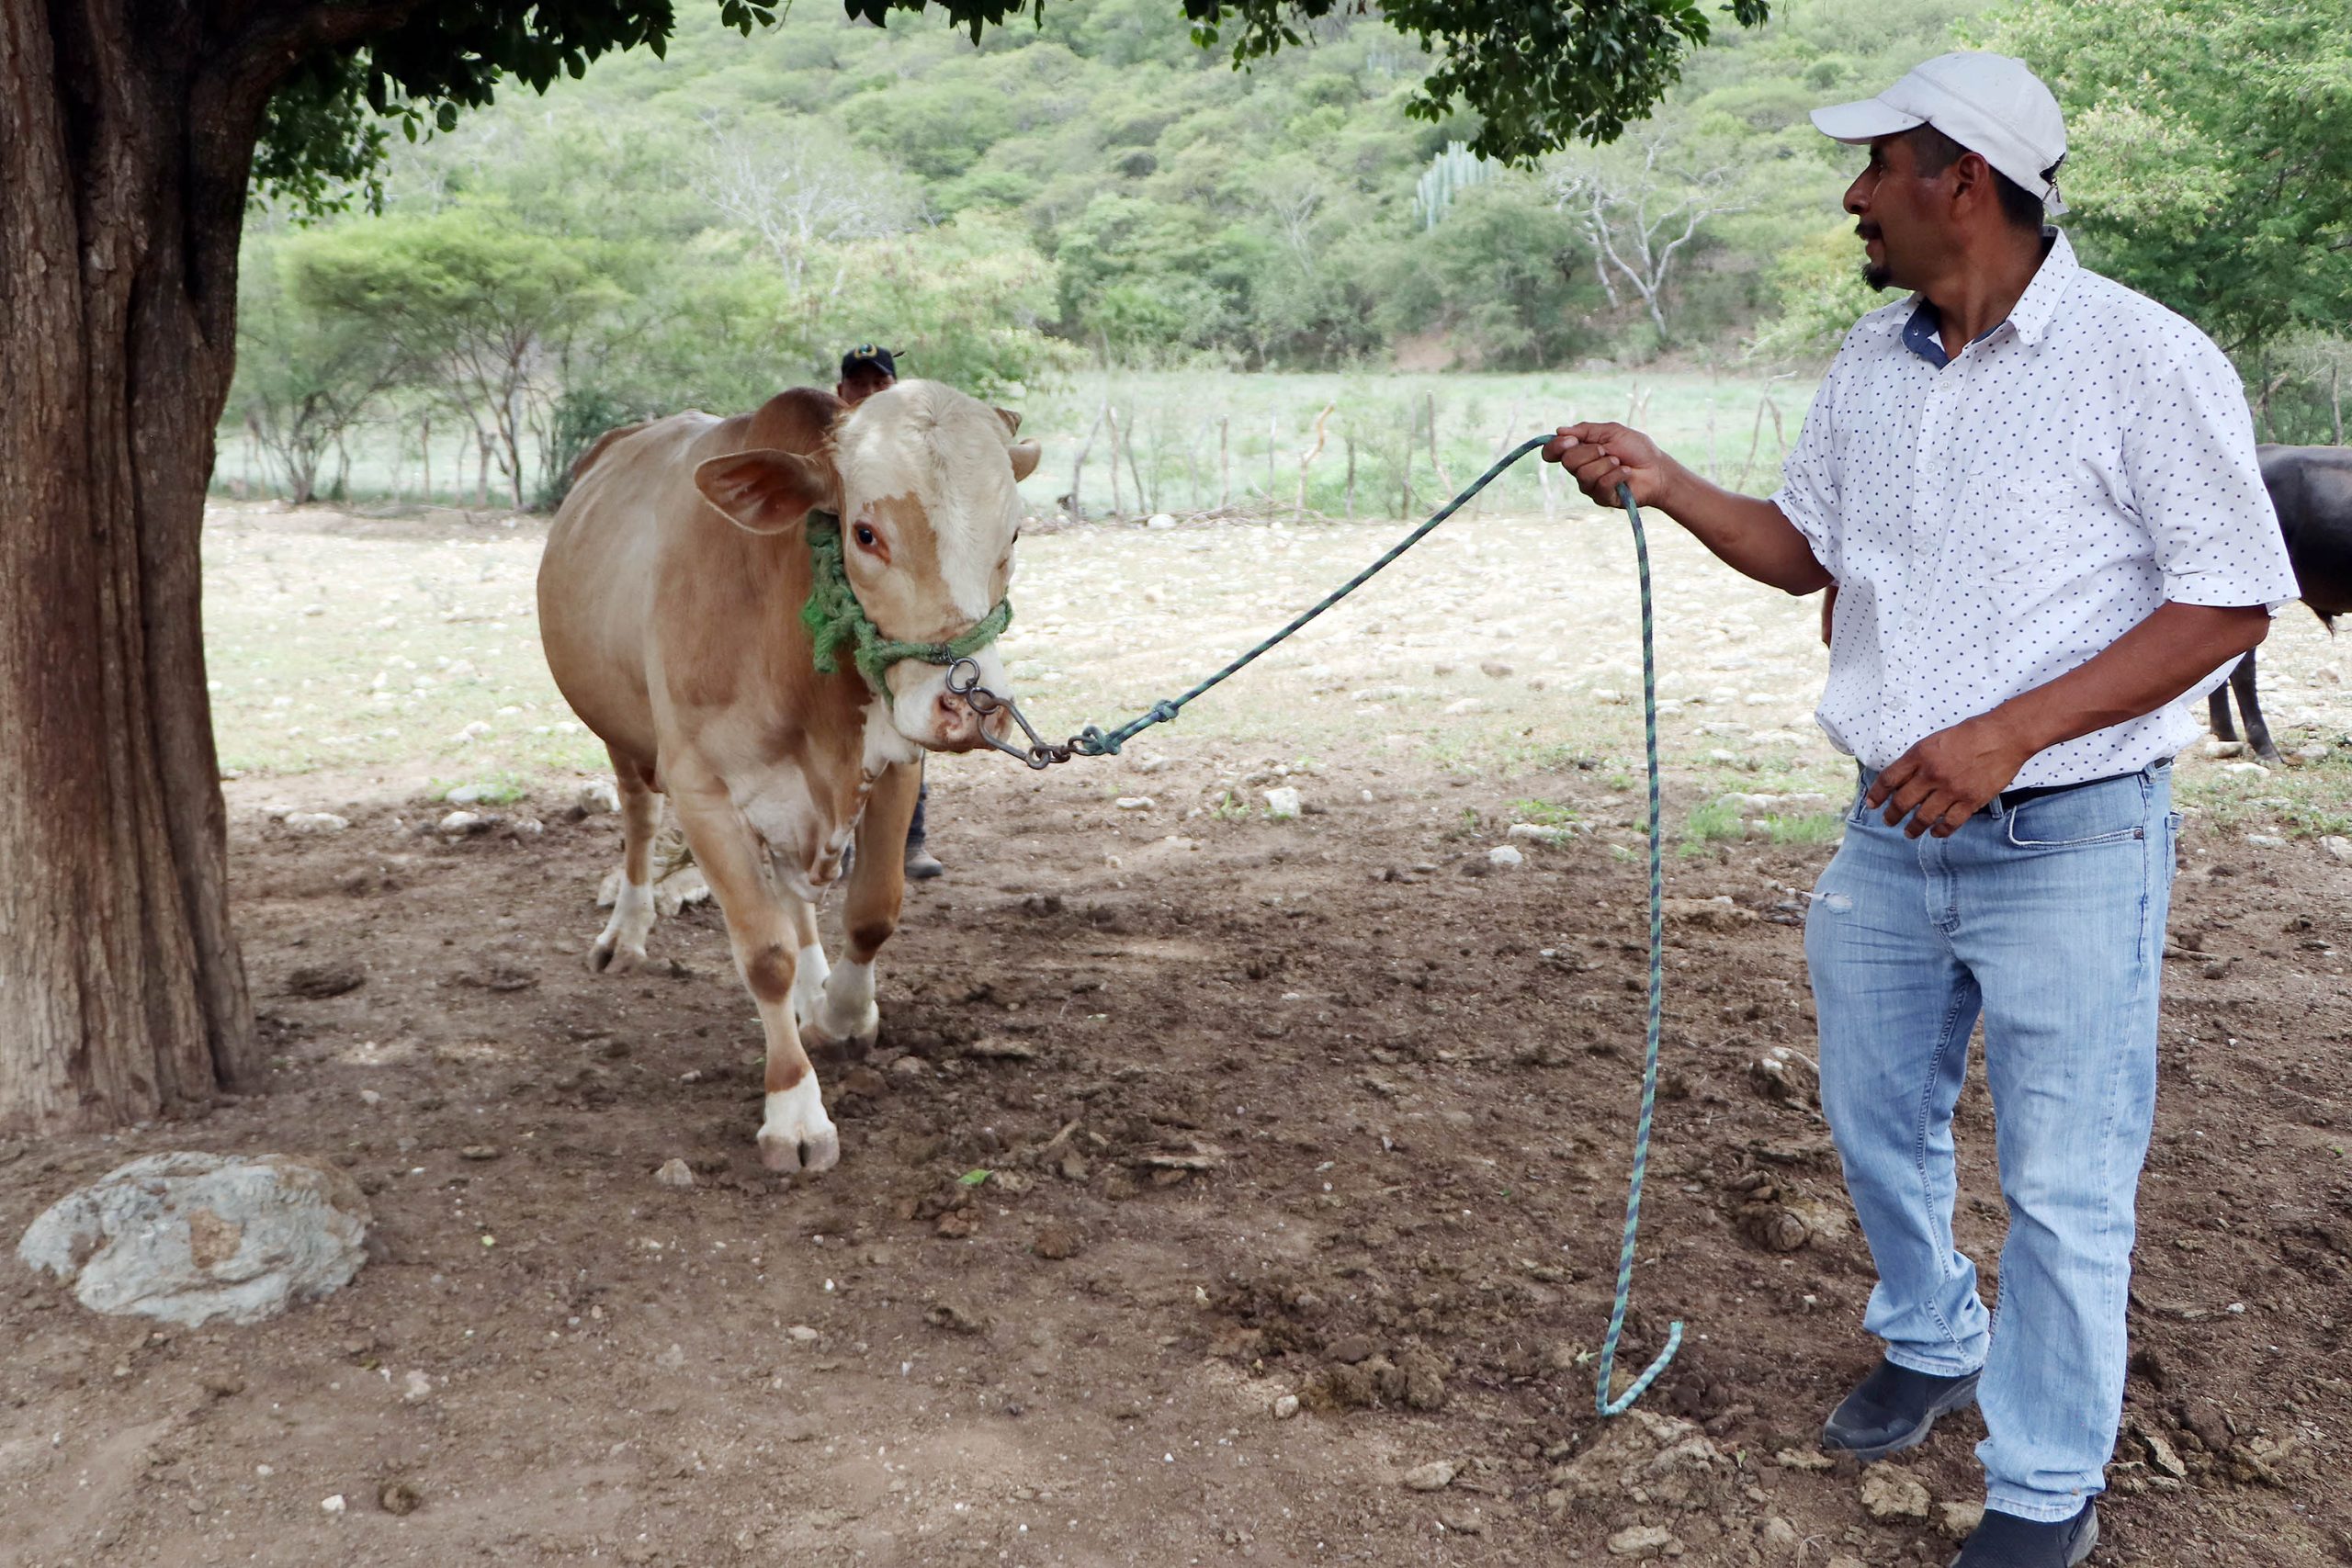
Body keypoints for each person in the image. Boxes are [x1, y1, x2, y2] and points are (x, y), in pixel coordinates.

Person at [1546, 53, 2296, 1568]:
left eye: (1876, 167)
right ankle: (1932, 1332)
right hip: (1886, 830)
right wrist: (1668, 480)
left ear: (1960, 176)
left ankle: (2044, 1490)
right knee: (1875, 1119)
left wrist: (2006, 738)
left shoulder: (2144, 359)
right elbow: (1806, 549)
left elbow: (2233, 600)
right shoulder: (1870, 362)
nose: (1854, 197)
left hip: (2072, 838)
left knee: (2068, 1178)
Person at [834, 345, 944, 880]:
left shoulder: (923, 460)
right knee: (840, 728)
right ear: (842, 395)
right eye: (859, 385)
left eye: (881, 385)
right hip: (836, 616)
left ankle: (911, 840)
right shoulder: (829, 456)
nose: (870, 394)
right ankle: (842, 842)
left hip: (904, 616)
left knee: (906, 719)